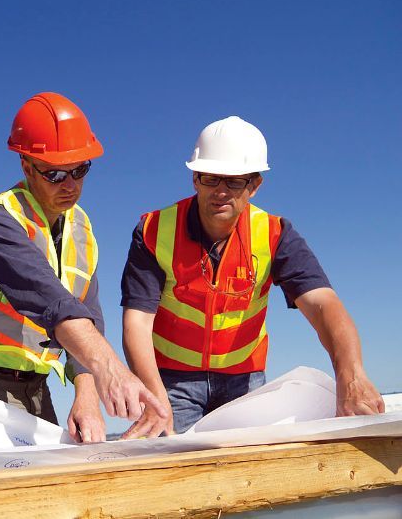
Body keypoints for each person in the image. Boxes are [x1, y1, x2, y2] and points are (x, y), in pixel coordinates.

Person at [120, 116, 384, 438]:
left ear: (254, 186)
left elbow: (322, 305)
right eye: (210, 178)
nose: (220, 192)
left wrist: (351, 375)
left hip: (243, 380)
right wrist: (153, 395)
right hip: (170, 380)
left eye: (233, 181)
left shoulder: (275, 234)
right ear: (194, 179)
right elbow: (137, 322)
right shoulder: (153, 231)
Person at [0, 92, 165, 455]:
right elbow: (53, 303)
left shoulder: (80, 228)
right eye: (55, 173)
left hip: (35, 384)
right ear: (27, 166)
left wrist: (86, 392)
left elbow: (87, 314)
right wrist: (111, 370)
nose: (69, 184)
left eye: (79, 170)